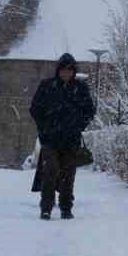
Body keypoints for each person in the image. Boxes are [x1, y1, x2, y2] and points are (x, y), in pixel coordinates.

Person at [30, 52, 96, 220]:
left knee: (68, 175)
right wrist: (44, 129)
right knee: (50, 171)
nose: (66, 73)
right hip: (50, 139)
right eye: (63, 70)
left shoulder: (80, 88)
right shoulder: (47, 86)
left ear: (74, 71)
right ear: (58, 70)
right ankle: (46, 208)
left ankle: (66, 208)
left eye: (69, 70)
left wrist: (78, 126)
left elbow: (89, 111)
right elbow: (35, 109)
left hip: (71, 140)